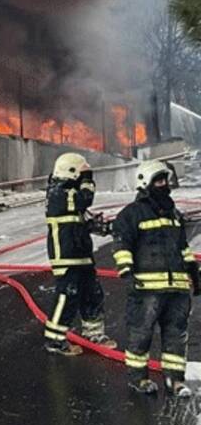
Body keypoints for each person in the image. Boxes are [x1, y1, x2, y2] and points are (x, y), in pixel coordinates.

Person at [114, 159, 197, 396]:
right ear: (145, 183)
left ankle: (175, 380)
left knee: (176, 335)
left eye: (165, 180)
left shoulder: (173, 214)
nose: (164, 185)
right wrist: (127, 272)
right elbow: (122, 244)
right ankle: (138, 379)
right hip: (147, 289)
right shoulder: (131, 214)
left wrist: (193, 270)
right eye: (158, 180)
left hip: (177, 289)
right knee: (141, 334)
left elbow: (182, 246)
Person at [43, 152, 116, 355]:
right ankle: (55, 339)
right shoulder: (58, 193)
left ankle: (94, 333)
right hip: (65, 255)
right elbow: (85, 199)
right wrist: (87, 180)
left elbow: (81, 218)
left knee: (92, 292)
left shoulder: (68, 195)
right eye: (81, 173)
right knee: (68, 295)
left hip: (82, 253)